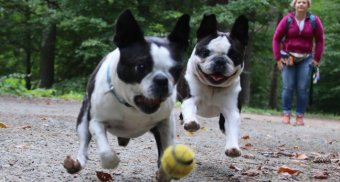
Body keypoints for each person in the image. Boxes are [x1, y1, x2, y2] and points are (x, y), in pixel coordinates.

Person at [272, 0, 324, 126]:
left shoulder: (314, 21)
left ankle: (300, 116)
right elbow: (276, 39)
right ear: (294, 4)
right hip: (288, 57)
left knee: (302, 88)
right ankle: (286, 114)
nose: (301, 4)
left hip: (306, 59)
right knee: (288, 87)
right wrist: (278, 58)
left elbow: (320, 40)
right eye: (299, 2)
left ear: (308, 5)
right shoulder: (287, 20)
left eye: (304, 2)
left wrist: (316, 59)